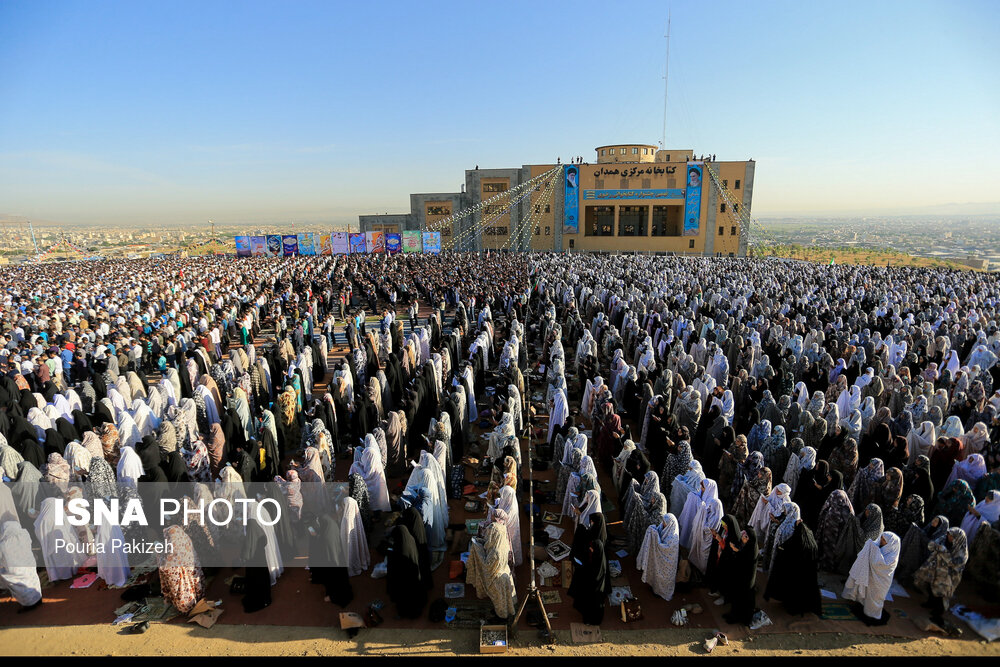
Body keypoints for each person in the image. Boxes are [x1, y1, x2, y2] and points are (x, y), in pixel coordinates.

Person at [913, 527, 968, 627]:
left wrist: (943, 551)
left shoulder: (961, 551)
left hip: (948, 576)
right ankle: (930, 602)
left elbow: (954, 563)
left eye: (952, 536)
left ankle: (938, 611)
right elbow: (931, 545)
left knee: (942, 593)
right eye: (949, 535)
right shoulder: (944, 539)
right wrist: (941, 549)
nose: (949, 537)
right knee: (931, 586)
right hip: (935, 569)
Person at [842, 531, 901, 625]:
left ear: (891, 544)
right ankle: (863, 608)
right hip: (871, 578)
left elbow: (879, 565)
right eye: (881, 538)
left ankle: (873, 616)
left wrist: (874, 549)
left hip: (881, 582)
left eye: (884, 540)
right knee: (866, 594)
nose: (881, 541)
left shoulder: (892, 555)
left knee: (875, 598)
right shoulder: (880, 548)